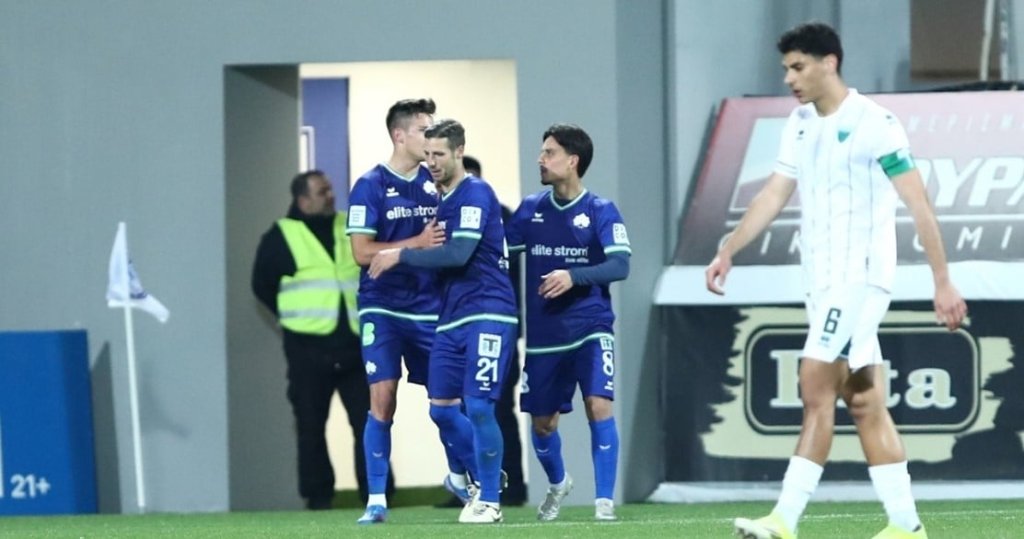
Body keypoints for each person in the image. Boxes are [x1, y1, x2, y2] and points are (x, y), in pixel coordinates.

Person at [705, 22, 967, 539]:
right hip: (822, 285)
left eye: (798, 67)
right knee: (864, 401)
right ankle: (906, 525)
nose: (789, 78)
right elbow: (774, 193)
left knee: (814, 385)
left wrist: (943, 281)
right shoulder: (800, 123)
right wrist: (728, 249)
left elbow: (918, 203)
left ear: (830, 63)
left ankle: (783, 520)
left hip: (860, 281)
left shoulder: (877, 123)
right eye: (786, 68)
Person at [369, 119, 519, 524]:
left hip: (488, 312)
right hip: (451, 318)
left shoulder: (475, 193)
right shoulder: (444, 201)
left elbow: (458, 253)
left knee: (480, 406)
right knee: (441, 410)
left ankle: (489, 499)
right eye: (428, 155)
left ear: (458, 152)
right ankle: (483, 472)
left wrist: (399, 254)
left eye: (439, 154)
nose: (431, 162)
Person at [347, 99, 477, 524]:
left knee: (447, 402)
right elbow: (361, 252)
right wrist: (414, 245)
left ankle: (463, 477)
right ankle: (376, 500)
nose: (431, 137)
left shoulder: (437, 185)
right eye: (424, 130)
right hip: (382, 307)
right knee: (382, 400)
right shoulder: (369, 186)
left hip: (431, 308)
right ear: (399, 135)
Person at [505, 123, 632, 522]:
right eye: (542, 152)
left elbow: (620, 265)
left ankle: (604, 503)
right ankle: (559, 482)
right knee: (543, 425)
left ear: (572, 161)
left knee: (599, 404)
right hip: (544, 336)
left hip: (591, 326)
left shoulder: (601, 210)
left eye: (549, 153)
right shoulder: (531, 209)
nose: (540, 160)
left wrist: (572, 276)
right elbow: (499, 253)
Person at [251, 169, 394, 510]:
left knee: (370, 421)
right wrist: (291, 318)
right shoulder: (281, 235)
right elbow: (262, 285)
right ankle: (318, 497)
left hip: (355, 345)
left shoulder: (349, 226)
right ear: (303, 200)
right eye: (322, 191)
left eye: (330, 189)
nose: (331, 196)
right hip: (307, 348)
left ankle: (377, 492)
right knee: (311, 425)